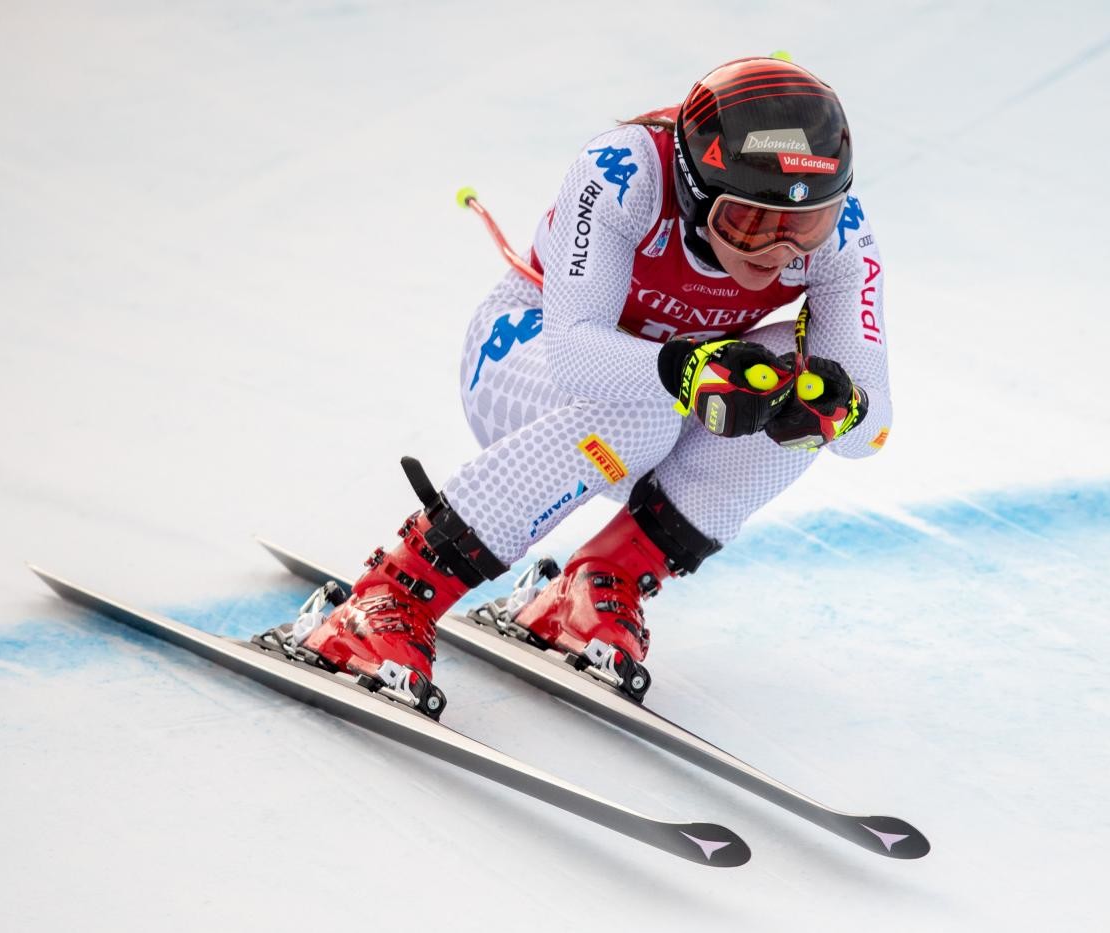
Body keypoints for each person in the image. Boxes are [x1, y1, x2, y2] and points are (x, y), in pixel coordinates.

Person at [283, 55, 890, 707]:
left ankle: (600, 581)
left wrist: (839, 409)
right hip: (524, 358)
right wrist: (685, 369)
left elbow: (873, 429)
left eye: (807, 224)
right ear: (693, 192)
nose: (780, 249)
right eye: (749, 222)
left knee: (797, 391)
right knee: (646, 411)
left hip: (663, 392)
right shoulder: (625, 173)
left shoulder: (844, 241)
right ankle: (388, 594)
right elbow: (574, 351)